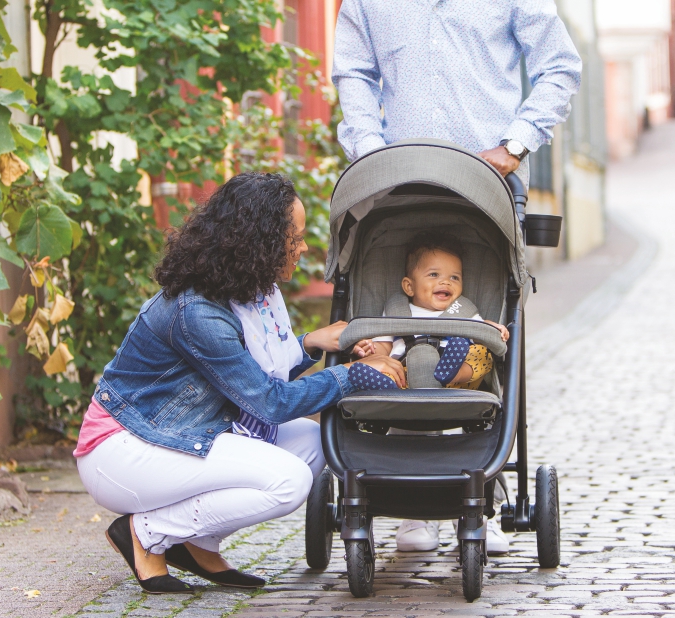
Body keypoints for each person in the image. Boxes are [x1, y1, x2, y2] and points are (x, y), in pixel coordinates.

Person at [74, 172, 405, 594]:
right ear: (261, 242)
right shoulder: (198, 312)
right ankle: (146, 533)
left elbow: (254, 372)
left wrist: (309, 342)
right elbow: (268, 401)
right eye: (295, 239)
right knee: (288, 481)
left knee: (318, 441)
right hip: (125, 450)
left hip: (184, 430)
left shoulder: (251, 291)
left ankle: (198, 542)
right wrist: (352, 375)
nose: (304, 248)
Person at [333, 0, 581, 556]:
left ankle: (483, 493)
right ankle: (398, 502)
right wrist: (372, 153)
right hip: (394, 183)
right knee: (393, 345)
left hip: (484, 182)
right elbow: (353, 70)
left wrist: (517, 142)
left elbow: (559, 63)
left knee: (480, 343)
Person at [350, 232, 509, 391]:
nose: (446, 282)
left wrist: (492, 328)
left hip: (456, 382)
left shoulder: (464, 310)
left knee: (482, 354)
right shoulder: (396, 310)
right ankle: (387, 384)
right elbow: (384, 347)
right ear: (409, 287)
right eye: (434, 274)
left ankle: (454, 373)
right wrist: (369, 350)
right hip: (407, 373)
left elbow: (480, 330)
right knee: (388, 366)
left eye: (454, 278)